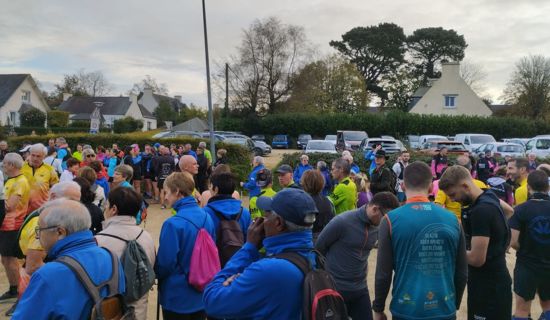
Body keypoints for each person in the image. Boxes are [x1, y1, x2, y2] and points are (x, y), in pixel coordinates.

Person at [203, 188, 318, 319]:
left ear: (278, 223)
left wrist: (249, 247)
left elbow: (212, 300)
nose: (261, 219)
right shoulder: (315, 256)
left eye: (267, 214)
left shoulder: (269, 270)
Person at [373, 161, 468, 320]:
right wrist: (454, 303)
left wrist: (378, 308)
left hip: (406, 309)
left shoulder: (390, 220)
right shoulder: (453, 220)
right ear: (431, 188)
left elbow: (383, 273)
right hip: (444, 309)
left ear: (403, 186)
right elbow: (462, 272)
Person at [12, 199, 126, 319]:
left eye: (39, 230)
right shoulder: (111, 257)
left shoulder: (48, 274)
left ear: (60, 232)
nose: (37, 236)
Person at [439, 165, 512, 319]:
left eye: (453, 194)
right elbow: (509, 210)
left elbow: (477, 259)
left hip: (488, 286)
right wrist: (500, 239)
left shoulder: (481, 211)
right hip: (496, 279)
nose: (452, 199)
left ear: (465, 186)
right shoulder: (488, 194)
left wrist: (449, 252)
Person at [317, 192, 399, 320]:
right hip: (336, 288)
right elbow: (319, 248)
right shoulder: (342, 221)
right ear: (375, 209)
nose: (389, 222)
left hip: (360, 289)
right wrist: (324, 280)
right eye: (386, 217)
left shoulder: (378, 227)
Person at [6, 181, 82, 316]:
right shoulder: (42, 223)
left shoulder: (50, 216)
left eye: (77, 202)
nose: (75, 207)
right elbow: (33, 266)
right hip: (37, 286)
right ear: (53, 197)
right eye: (70, 201)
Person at [155, 172, 215, 320]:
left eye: (167, 192)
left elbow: (166, 263)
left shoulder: (172, 224)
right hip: (201, 292)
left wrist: (155, 274)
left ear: (177, 192)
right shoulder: (207, 216)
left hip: (176, 295)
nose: (166, 197)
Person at [96, 187, 156, 320]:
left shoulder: (99, 240)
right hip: (138, 310)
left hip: (110, 312)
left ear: (114, 209)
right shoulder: (146, 236)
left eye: (107, 205)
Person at [508, 170, 550, 320]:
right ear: (548, 187)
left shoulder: (520, 210)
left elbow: (512, 241)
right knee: (548, 305)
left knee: (522, 309)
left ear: (528, 187)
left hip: (527, 264)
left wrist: (525, 248)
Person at [203, 172, 252, 265]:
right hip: (239, 263)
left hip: (215, 264)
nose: (209, 189)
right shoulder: (244, 212)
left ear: (216, 189)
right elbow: (250, 240)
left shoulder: (205, 213)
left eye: (210, 186)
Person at [0, 153, 30, 301]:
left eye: (4, 163)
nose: (3, 165)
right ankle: (13, 289)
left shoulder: (20, 181)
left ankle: (19, 291)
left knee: (10, 260)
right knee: (5, 259)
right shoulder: (11, 180)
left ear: (12, 165)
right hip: (5, 225)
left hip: (12, 225)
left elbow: (9, 206)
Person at [434, 155, 488, 221]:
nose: (452, 199)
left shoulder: (448, 185)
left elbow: (437, 207)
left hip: (453, 223)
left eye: (452, 195)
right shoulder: (481, 184)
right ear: (470, 168)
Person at [21, 143, 59, 214]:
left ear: (44, 156)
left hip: (41, 209)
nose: (35, 158)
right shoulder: (21, 167)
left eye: (38, 156)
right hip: (22, 209)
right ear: (29, 154)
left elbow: (55, 188)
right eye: (33, 155)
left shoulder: (49, 169)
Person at [301, 169, 335, 242]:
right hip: (325, 238)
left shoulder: (303, 202)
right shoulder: (328, 201)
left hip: (307, 240)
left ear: (304, 183)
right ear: (322, 182)